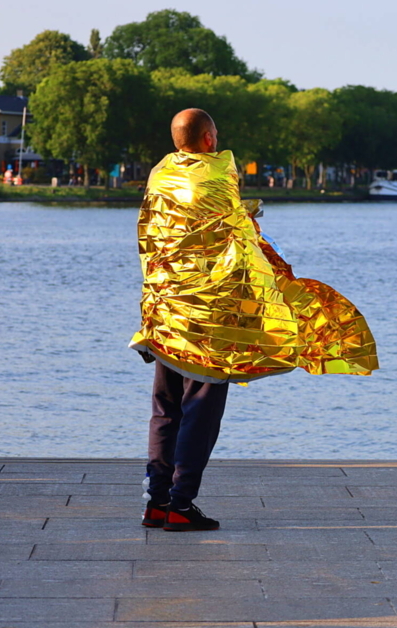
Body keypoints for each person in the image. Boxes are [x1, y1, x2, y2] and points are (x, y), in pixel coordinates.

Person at [131, 109, 378, 532]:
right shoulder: (218, 175)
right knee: (201, 411)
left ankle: (155, 501)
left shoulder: (160, 176)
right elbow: (238, 242)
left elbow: (169, 235)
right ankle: (180, 503)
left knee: (166, 408)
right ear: (209, 139)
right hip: (211, 322)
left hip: (167, 312)